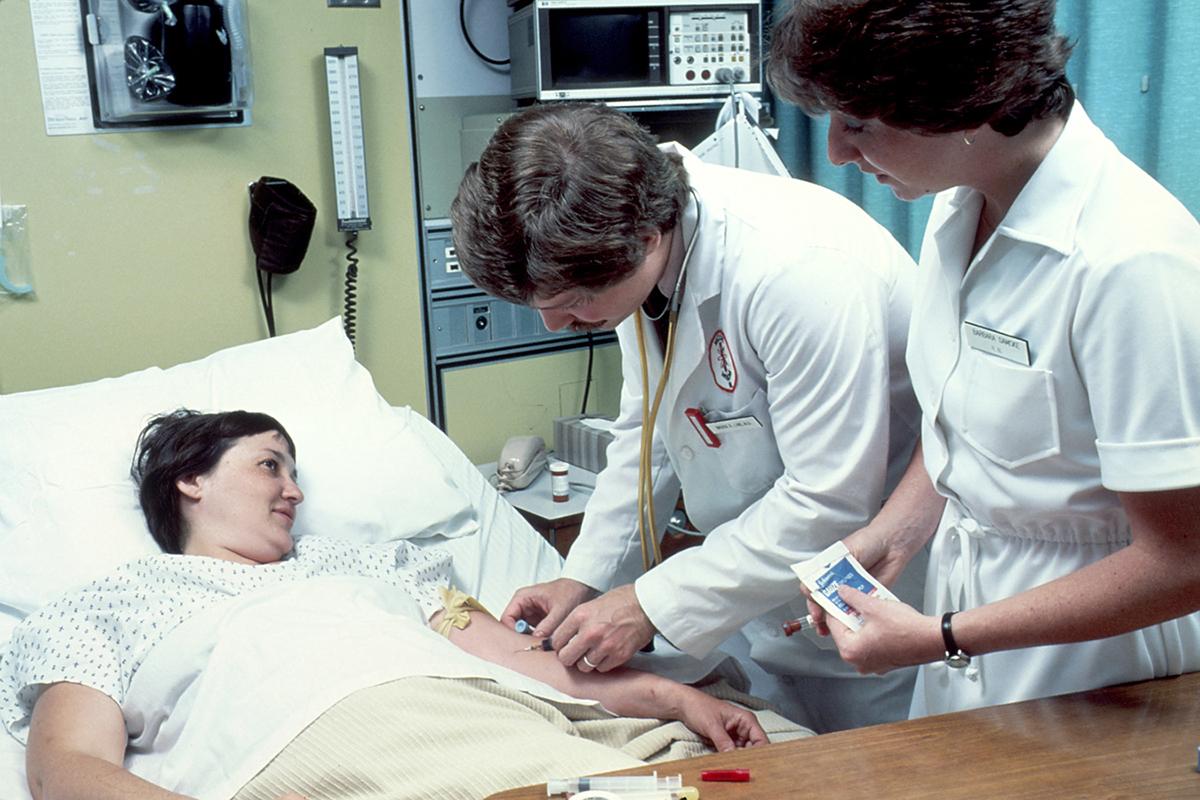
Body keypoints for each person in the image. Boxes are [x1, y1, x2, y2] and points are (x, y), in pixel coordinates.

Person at [767, 0, 1200, 717]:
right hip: (970, 635)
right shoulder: (958, 205)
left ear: (971, 104)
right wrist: (894, 533)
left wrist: (939, 636)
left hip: (1103, 666)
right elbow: (963, 429)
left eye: (861, 124)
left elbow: (1184, 560)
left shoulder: (1131, 263)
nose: (838, 153)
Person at [450, 101, 924, 732]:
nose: (554, 325)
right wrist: (586, 579)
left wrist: (650, 603)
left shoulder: (798, 271)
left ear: (645, 241)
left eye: (569, 304)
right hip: (755, 593)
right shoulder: (634, 248)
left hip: (871, 604)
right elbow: (648, 435)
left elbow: (828, 498)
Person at [4, 410, 767, 800]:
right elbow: (66, 769)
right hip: (334, 750)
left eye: (295, 471)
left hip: (496, 722)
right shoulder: (107, 602)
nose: (294, 490)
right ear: (190, 480)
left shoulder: (384, 565)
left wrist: (670, 697)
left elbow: (524, 664)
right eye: (270, 465)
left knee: (698, 773)